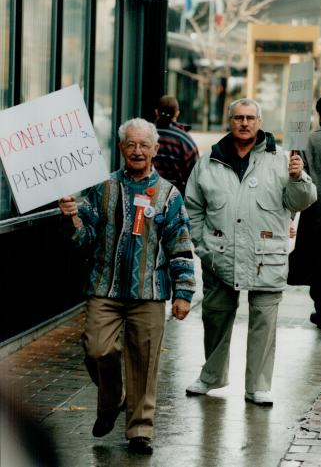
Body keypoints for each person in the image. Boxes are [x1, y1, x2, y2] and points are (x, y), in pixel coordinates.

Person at [58, 118, 195, 455]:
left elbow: (180, 244)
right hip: (105, 287)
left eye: (143, 145)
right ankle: (113, 399)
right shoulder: (102, 187)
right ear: (121, 148)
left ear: (155, 149)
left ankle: (139, 431)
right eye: (130, 145)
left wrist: (183, 293)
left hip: (149, 291)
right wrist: (73, 215)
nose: (137, 151)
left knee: (144, 361)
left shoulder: (168, 194)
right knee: (97, 349)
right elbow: (84, 240)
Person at [184, 98, 317, 405]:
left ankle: (258, 385)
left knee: (264, 323)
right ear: (229, 122)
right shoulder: (209, 161)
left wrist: (298, 177)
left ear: (259, 122)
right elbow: (193, 206)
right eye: (238, 118)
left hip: (266, 257)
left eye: (250, 118)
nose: (244, 123)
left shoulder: (283, 159)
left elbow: (303, 200)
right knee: (215, 317)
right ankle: (211, 376)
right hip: (219, 256)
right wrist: (202, 246)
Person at [288, 94, 321, 333]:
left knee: (319, 267)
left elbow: (296, 181)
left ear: (320, 114)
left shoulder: (308, 141)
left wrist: (289, 217)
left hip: (317, 217)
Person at [153, 95, 200, 197]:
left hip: (146, 195)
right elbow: (196, 175)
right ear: (177, 113)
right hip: (175, 198)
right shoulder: (184, 140)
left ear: (156, 112)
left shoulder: (145, 134)